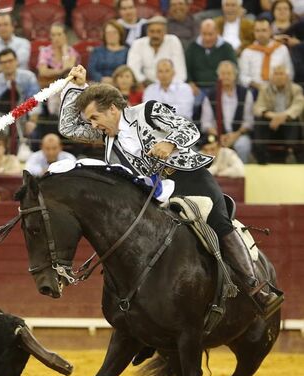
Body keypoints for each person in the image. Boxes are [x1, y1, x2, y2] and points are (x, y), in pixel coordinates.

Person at [59, 64, 281, 316]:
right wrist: (77, 87)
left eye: (94, 118)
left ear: (112, 109)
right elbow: (68, 128)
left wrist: (169, 143)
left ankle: (257, 289)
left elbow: (189, 128)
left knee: (217, 221)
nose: (92, 124)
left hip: (187, 178)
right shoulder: (106, 135)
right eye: (89, 121)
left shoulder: (148, 110)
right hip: (152, 194)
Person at [199, 61, 255, 162]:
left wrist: (235, 135)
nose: (226, 77)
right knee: (209, 147)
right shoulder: (211, 95)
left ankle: (241, 175)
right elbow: (206, 123)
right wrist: (219, 135)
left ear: (235, 76)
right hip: (216, 135)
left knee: (243, 146)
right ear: (218, 76)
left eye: (229, 73)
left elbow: (249, 121)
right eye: (223, 74)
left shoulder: (245, 93)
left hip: (238, 135)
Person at [252, 64, 304, 163]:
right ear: (271, 77)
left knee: (294, 120)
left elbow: (298, 106)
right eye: (276, 74)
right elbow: (258, 107)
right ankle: (261, 158)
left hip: (288, 123)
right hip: (271, 123)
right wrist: (274, 116)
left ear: (287, 77)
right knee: (260, 120)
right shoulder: (264, 89)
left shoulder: (296, 89)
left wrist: (283, 116)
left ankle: (291, 152)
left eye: (281, 74)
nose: (279, 77)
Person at [0, 48, 40, 134]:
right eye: (3, 62)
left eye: (10, 61)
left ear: (16, 61)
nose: (7, 65)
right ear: (0, 65)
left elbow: (35, 102)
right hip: (2, 121)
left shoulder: (28, 77)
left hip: (25, 118)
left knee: (34, 132)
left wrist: (32, 121)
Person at [186, 19, 238, 100]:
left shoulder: (227, 47)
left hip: (221, 88)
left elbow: (234, 69)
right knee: (194, 104)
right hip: (198, 89)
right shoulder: (192, 47)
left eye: (210, 34)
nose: (207, 38)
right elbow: (186, 68)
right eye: (204, 34)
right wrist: (190, 84)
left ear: (217, 32)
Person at [127, 16, 187, 85]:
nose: (155, 35)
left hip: (171, 84)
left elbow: (180, 72)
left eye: (159, 31)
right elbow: (132, 69)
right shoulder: (138, 44)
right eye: (152, 31)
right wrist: (144, 83)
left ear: (165, 32)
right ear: (147, 32)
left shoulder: (173, 41)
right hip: (145, 85)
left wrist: (169, 86)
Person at [239, 18, 295, 91]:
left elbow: (289, 72)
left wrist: (279, 83)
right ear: (254, 32)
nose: (261, 34)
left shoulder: (281, 49)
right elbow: (243, 77)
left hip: (279, 89)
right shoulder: (247, 52)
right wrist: (259, 86)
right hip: (255, 90)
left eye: (264, 30)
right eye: (257, 31)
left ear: (270, 31)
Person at [37, 23, 80, 117]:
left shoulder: (71, 52)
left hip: (67, 87)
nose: (56, 38)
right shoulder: (45, 51)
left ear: (65, 35)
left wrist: (64, 50)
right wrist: (60, 72)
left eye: (59, 34)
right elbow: (43, 72)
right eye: (53, 35)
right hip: (48, 86)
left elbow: (69, 70)